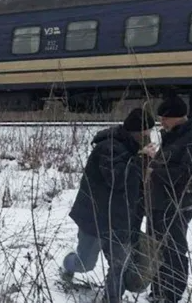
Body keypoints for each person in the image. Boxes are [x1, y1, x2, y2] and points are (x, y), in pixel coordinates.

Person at [61, 108, 155, 303]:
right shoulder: (108, 147)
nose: (148, 138)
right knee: (85, 263)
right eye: (146, 134)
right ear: (136, 132)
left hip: (121, 222)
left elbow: (137, 190)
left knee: (118, 266)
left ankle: (112, 299)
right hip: (95, 219)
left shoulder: (134, 150)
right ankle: (68, 265)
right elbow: (117, 179)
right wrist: (140, 160)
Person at [143, 94, 192, 303]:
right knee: (157, 249)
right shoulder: (174, 135)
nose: (161, 123)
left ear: (175, 117)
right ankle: (158, 292)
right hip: (159, 202)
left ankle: (170, 295)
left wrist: (154, 169)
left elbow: (186, 173)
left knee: (173, 250)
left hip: (175, 204)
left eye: (163, 118)